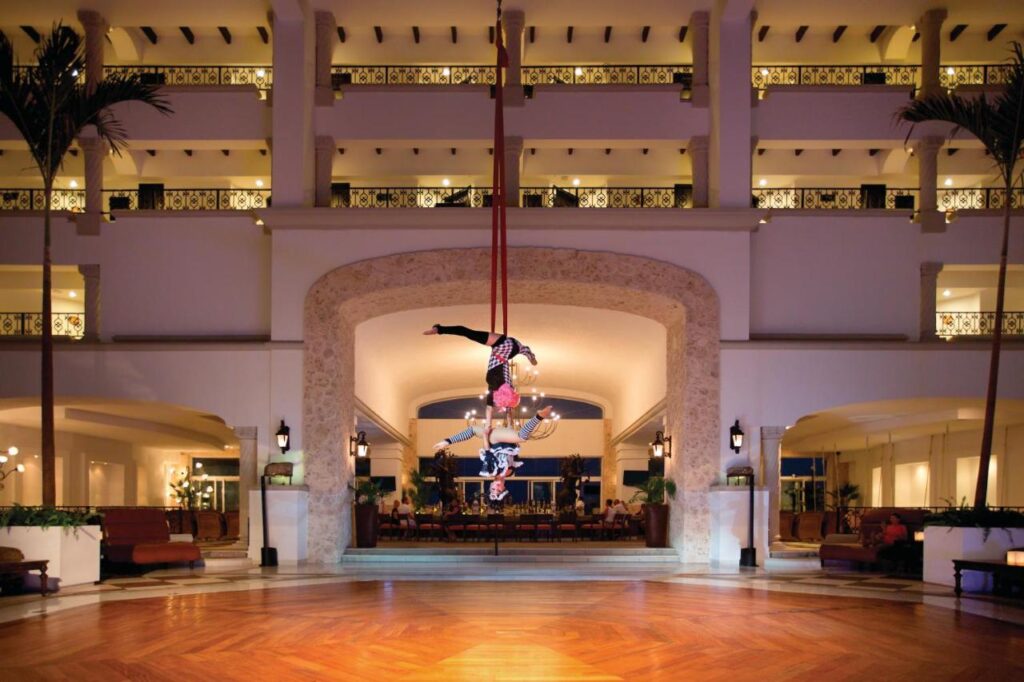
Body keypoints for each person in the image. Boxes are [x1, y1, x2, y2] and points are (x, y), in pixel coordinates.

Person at [424, 323, 538, 444]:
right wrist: (490, 426)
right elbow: (492, 409)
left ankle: (529, 353)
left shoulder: (507, 389)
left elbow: (507, 409)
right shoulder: (495, 389)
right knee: (468, 332)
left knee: (468, 332)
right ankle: (439, 329)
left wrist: (508, 426)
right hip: (502, 346)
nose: (498, 408)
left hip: (513, 349)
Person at [434, 406, 552, 507]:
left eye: (493, 489)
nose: (496, 487)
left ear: (490, 486)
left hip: (493, 438)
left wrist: (485, 434)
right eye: (499, 490)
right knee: (520, 437)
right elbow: (512, 450)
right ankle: (532, 414)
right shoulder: (510, 472)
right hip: (504, 437)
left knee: (474, 430)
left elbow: (487, 451)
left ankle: (539, 416)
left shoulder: (491, 472)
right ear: (504, 488)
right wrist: (509, 413)